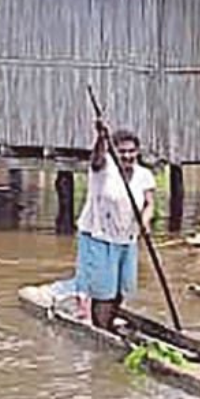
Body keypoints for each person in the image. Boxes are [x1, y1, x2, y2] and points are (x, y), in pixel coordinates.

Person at [69, 121, 155, 330]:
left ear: (138, 152)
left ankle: (107, 322)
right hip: (99, 236)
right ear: (113, 151)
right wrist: (101, 138)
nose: (127, 156)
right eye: (122, 151)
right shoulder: (104, 168)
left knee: (123, 289)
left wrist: (145, 221)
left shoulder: (144, 174)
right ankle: (101, 330)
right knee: (104, 291)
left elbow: (150, 203)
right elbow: (97, 159)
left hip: (127, 238)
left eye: (132, 151)